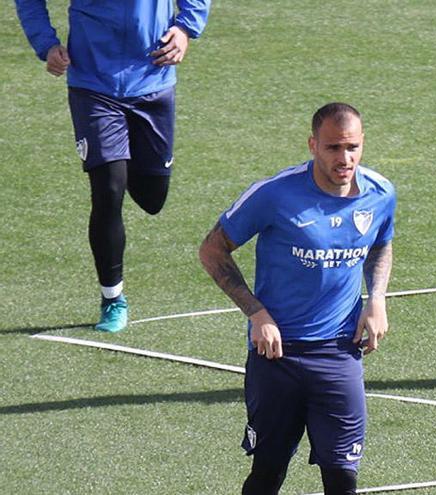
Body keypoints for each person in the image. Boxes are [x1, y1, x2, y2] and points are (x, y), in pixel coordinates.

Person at [199, 103, 396, 495]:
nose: (345, 158)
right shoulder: (274, 195)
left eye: (352, 147)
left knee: (342, 478)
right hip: (277, 357)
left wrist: (377, 298)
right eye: (333, 148)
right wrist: (256, 313)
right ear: (313, 145)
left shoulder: (380, 194)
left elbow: (381, 245)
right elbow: (212, 251)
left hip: (340, 354)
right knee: (268, 474)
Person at [14, 0, 212, 332]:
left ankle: (123, 154)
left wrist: (186, 27)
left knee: (152, 198)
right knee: (108, 189)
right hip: (92, 83)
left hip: (153, 77)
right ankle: (112, 297)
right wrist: (45, 43)